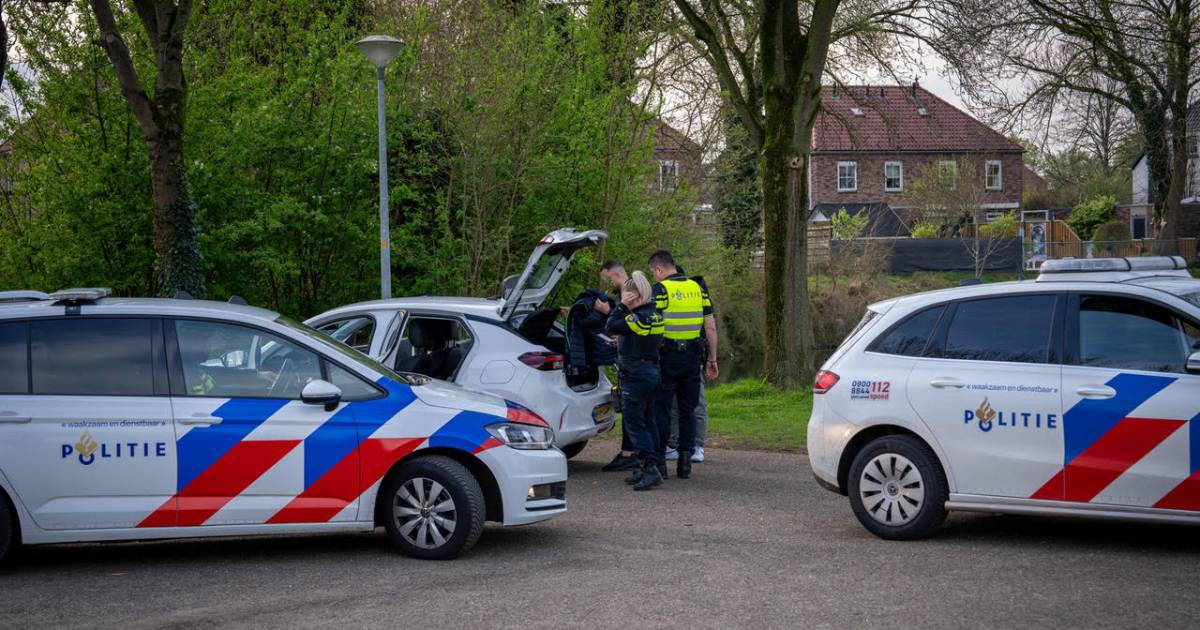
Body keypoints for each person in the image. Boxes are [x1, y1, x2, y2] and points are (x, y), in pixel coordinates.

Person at [649, 250, 717, 480]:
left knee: (663, 409)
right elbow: (710, 328)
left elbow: (651, 326)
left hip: (666, 357)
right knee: (688, 410)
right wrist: (712, 359)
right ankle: (685, 462)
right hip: (692, 358)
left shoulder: (660, 290)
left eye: (653, 272)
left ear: (658, 269)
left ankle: (660, 462)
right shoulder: (698, 289)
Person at [605, 271, 665, 491]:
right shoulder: (655, 314)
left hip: (636, 375)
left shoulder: (637, 317)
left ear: (633, 296)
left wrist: (620, 306)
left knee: (635, 425)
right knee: (649, 421)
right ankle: (648, 466)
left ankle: (650, 470)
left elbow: (611, 325)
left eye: (625, 296)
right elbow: (642, 338)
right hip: (650, 371)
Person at [594, 261, 640, 472]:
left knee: (632, 408)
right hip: (631, 356)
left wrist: (608, 311)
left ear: (614, 274)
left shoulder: (630, 290)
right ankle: (632, 452)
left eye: (606, 278)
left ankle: (630, 454)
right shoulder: (634, 287)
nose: (606, 284)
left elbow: (632, 321)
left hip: (633, 359)